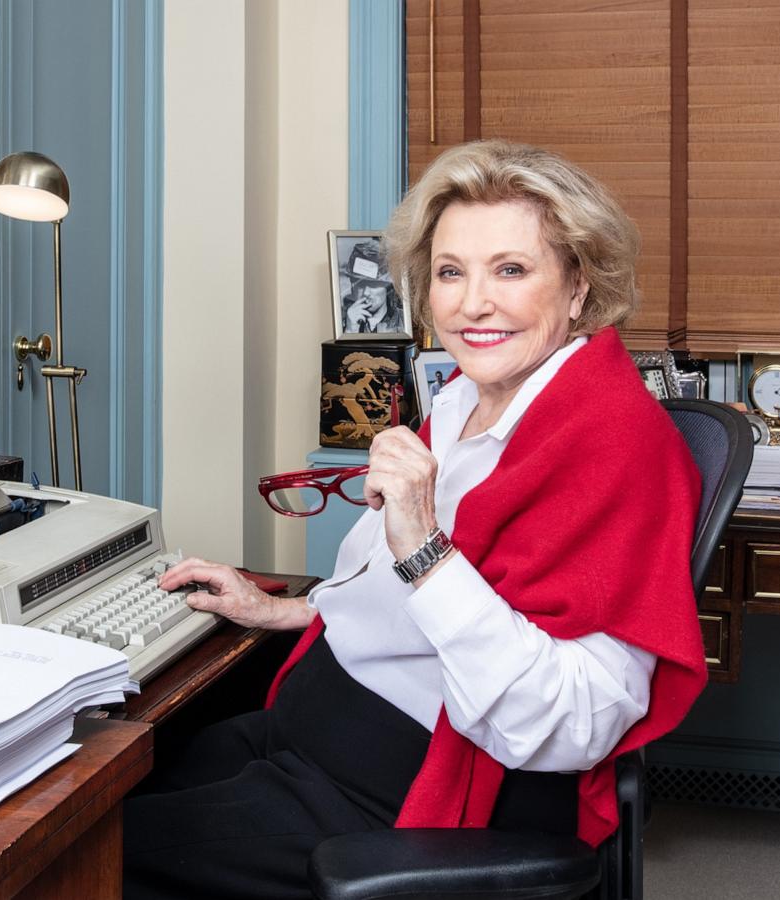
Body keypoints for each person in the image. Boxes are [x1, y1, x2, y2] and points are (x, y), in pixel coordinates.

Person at [123, 140, 707, 899]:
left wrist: (427, 550)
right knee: (119, 781)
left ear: (577, 289)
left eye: (512, 270)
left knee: (94, 854)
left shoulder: (617, 445)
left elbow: (574, 725)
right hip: (313, 724)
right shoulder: (467, 398)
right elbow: (399, 599)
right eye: (450, 272)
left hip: (402, 784)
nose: (472, 304)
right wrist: (284, 608)